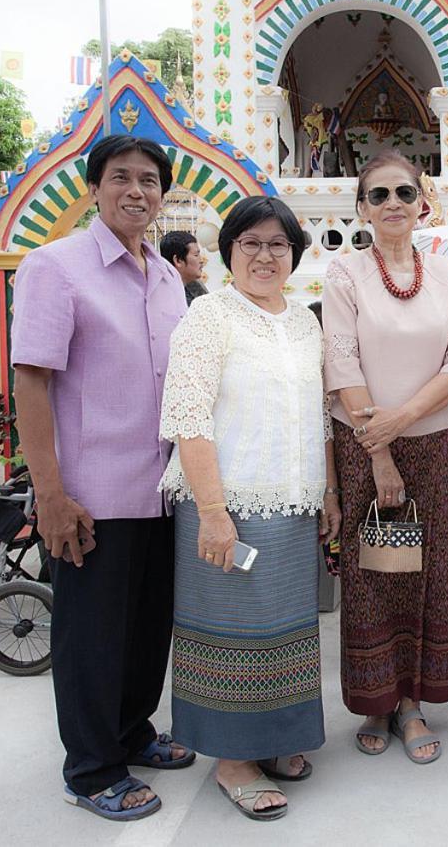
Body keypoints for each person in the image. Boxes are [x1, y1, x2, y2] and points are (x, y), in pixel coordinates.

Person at [12, 135, 194, 822]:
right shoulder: (54, 268)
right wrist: (51, 495)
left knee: (149, 629)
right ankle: (90, 769)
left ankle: (132, 732)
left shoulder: (168, 276)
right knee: (92, 637)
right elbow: (32, 380)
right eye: (121, 178)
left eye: (149, 180)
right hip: (91, 493)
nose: (136, 191)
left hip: (162, 487)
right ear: (94, 188)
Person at [158, 195, 341, 821]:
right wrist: (212, 511)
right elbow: (188, 416)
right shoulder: (210, 316)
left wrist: (330, 492)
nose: (265, 255)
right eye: (251, 243)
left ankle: (274, 740)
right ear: (227, 250)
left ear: (294, 253)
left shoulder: (304, 322)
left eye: (278, 245)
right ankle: (233, 760)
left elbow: (318, 415)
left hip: (291, 505)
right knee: (232, 632)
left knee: (285, 629)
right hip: (227, 504)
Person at [322, 150, 448, 764]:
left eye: (403, 194)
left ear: (422, 203)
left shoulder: (447, 273)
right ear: (361, 208)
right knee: (373, 574)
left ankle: (412, 701)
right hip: (363, 448)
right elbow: (341, 364)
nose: (392, 205)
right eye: (379, 195)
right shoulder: (344, 274)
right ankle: (376, 700)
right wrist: (380, 449)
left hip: (436, 443)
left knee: (430, 571)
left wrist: (404, 419)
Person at [160, 230, 208, 305]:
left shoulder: (196, 287)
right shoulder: (163, 296)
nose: (201, 260)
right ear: (178, 260)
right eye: (196, 255)